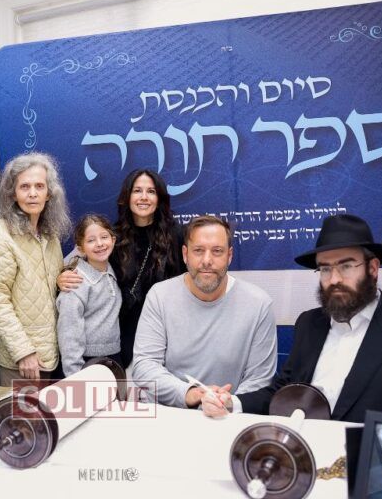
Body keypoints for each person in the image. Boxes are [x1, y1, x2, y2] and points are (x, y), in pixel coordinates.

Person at [202, 214, 382, 424]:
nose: (334, 279)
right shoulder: (309, 324)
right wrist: (232, 402)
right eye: (325, 269)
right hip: (302, 459)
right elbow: (284, 391)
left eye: (346, 266)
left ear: (373, 269)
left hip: (373, 467)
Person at [132, 215, 276, 408]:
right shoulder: (160, 296)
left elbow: (260, 379)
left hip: (229, 417)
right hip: (170, 415)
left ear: (229, 256)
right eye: (198, 250)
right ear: (185, 254)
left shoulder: (259, 304)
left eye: (217, 251)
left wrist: (227, 404)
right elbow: (145, 366)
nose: (207, 260)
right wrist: (190, 394)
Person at [59, 169, 184, 368]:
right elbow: (73, 259)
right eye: (137, 191)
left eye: (151, 191)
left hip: (167, 333)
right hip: (123, 338)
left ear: (159, 198)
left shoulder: (177, 235)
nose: (144, 197)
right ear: (127, 196)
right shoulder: (112, 236)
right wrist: (62, 275)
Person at [0, 152, 70, 386]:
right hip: (21, 360)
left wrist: (61, 279)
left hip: (50, 356)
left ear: (49, 193)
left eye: (39, 186)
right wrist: (23, 351)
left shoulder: (50, 235)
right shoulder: (0, 235)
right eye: (24, 186)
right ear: (12, 193)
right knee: (22, 412)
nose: (32, 193)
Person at [56, 214, 121, 377]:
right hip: (86, 362)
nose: (99, 244)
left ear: (113, 240)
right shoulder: (75, 282)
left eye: (104, 237)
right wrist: (75, 375)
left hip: (113, 358)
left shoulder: (112, 270)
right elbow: (69, 334)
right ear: (80, 248)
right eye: (91, 240)